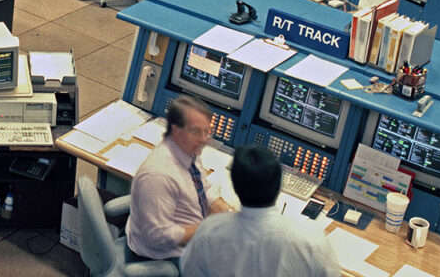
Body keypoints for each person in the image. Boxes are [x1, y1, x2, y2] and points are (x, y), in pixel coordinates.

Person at [180, 146, 340, 277]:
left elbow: (188, 270)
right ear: (279, 185)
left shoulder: (209, 231)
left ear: (236, 187)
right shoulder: (312, 240)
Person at [126, 94, 232, 267]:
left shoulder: (188, 150)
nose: (204, 139)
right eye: (196, 131)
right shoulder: (157, 177)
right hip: (160, 257)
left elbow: (204, 188)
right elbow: (158, 237)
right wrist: (208, 228)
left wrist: (228, 212)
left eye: (207, 132)